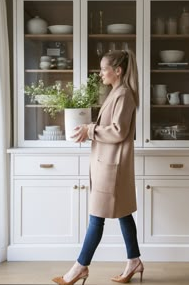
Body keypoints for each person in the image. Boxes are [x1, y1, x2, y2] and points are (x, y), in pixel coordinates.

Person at [52, 49, 144, 285]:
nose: (100, 73)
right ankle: (134, 261)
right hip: (110, 165)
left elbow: (118, 130)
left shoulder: (123, 95)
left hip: (111, 168)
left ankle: (80, 267)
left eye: (104, 69)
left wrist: (89, 129)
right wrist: (90, 129)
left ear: (117, 71)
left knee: (96, 218)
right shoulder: (117, 92)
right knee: (124, 214)